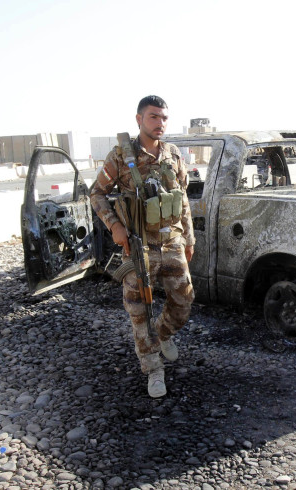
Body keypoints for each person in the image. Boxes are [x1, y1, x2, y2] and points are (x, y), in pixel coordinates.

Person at [89, 95, 195, 398]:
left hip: (171, 241)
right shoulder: (121, 156)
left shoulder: (173, 155)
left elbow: (183, 198)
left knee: (184, 300)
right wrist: (115, 226)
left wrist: (189, 237)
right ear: (139, 119)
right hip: (138, 244)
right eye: (153, 117)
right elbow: (97, 193)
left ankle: (163, 334)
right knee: (139, 310)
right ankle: (153, 369)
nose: (159, 123)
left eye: (163, 118)